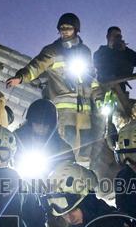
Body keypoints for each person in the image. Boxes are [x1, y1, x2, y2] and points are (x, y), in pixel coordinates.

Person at [6, 13, 97, 162]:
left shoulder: (85, 51)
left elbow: (90, 76)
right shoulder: (52, 50)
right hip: (62, 109)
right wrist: (21, 77)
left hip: (83, 110)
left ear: (76, 30)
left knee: (85, 146)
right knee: (66, 142)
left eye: (68, 28)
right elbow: (36, 66)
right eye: (61, 28)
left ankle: (79, 177)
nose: (64, 31)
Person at [12, 99, 75, 179]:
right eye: (37, 123)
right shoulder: (16, 138)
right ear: (31, 122)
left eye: (46, 125)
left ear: (52, 126)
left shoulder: (62, 147)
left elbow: (70, 169)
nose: (41, 128)